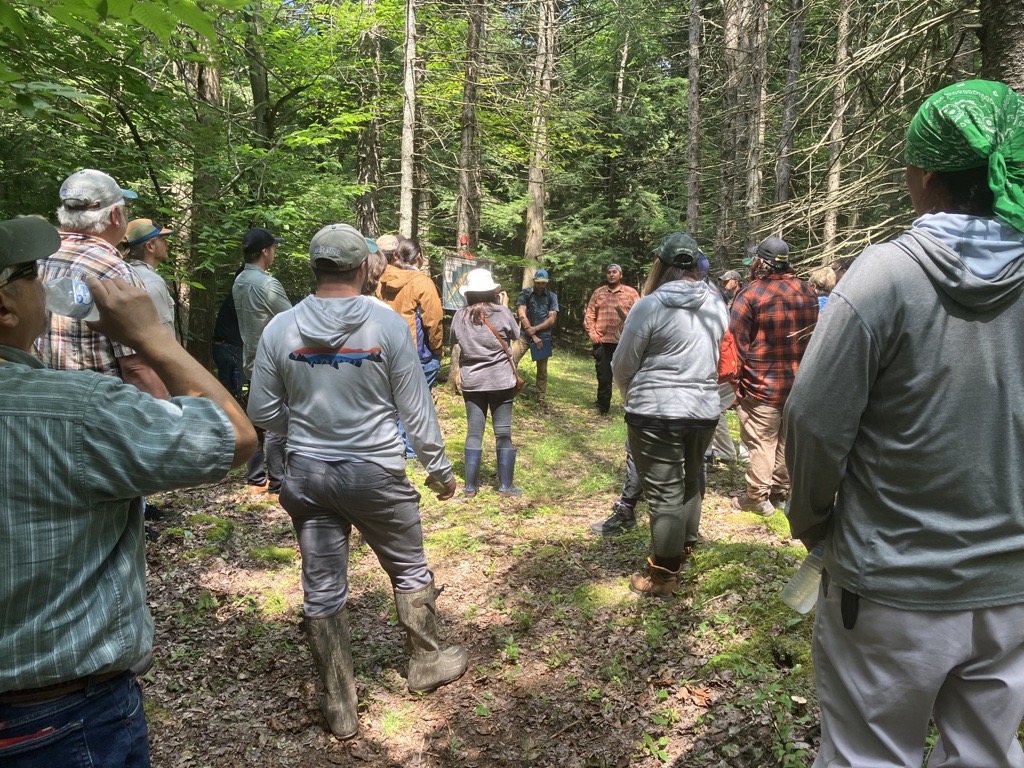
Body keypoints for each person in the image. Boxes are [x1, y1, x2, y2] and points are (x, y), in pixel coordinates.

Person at [785, 79, 1024, 768]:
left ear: (924, 174)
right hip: (1009, 592)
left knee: (869, 756)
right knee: (986, 755)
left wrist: (813, 522)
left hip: (889, 585)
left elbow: (812, 418)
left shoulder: (885, 276)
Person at [0, 217, 256, 768]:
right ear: (5, 309)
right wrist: (152, 337)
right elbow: (235, 437)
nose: (45, 284)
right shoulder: (79, 410)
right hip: (59, 720)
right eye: (29, 274)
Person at [247, 223, 464, 741]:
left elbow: (261, 408)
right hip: (375, 472)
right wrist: (439, 469)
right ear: (366, 267)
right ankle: (428, 662)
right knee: (408, 566)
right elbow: (415, 408)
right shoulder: (387, 325)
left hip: (308, 473)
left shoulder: (281, 327)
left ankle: (340, 703)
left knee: (322, 588)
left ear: (314, 266)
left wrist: (300, 427)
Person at [611, 233, 728, 597]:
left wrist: (632, 396)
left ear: (659, 266)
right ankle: (684, 549)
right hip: (703, 410)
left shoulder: (649, 305)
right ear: (695, 264)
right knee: (690, 482)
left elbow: (623, 363)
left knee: (663, 495)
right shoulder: (716, 304)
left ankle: (663, 576)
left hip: (656, 412)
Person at [34, 169, 165, 398]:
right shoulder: (114, 271)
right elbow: (136, 369)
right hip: (96, 414)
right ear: (116, 215)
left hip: (38, 406)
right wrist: (169, 415)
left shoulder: (35, 260)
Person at [728, 236, 817, 516]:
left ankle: (756, 498)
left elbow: (737, 345)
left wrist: (734, 384)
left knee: (761, 442)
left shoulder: (751, 295)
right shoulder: (807, 292)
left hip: (761, 386)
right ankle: (779, 493)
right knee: (787, 441)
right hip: (800, 386)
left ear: (761, 263)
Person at [449, 268, 522, 498]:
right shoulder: (502, 312)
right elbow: (516, 334)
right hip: (501, 380)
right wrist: (506, 307)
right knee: (503, 432)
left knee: (474, 431)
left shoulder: (459, 316)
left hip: (473, 381)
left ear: (468, 294)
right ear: (493, 291)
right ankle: (506, 486)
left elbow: (454, 340)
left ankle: (470, 487)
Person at [233, 226, 290, 494]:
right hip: (273, 361)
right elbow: (292, 318)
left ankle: (256, 477)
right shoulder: (266, 283)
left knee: (255, 418)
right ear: (265, 251)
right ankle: (278, 481)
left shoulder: (240, 280)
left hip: (250, 358)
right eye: (274, 248)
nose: (275, 253)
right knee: (277, 423)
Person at [378, 237, 444, 456]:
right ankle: (407, 449)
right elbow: (433, 320)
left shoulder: (380, 280)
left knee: (390, 401)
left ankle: (388, 445)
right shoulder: (421, 282)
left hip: (384, 349)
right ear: (420, 257)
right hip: (417, 352)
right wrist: (436, 349)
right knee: (416, 404)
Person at [584, 263, 640, 414]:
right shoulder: (598, 293)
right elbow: (589, 314)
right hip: (602, 341)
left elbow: (640, 315)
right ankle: (602, 406)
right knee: (604, 376)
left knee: (629, 374)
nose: (611, 274)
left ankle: (633, 407)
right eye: (609, 272)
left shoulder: (631, 293)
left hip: (624, 342)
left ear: (620, 275)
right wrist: (593, 333)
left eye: (615, 272)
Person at [511, 267, 558, 406]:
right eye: (538, 282)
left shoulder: (551, 296)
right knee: (511, 359)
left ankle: (540, 397)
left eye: (543, 283)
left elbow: (552, 318)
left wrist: (535, 329)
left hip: (543, 337)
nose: (540, 285)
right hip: (525, 335)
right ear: (534, 281)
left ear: (546, 283)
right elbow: (521, 313)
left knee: (542, 370)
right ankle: (510, 388)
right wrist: (529, 330)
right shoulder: (525, 294)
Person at [123, 218, 177, 338]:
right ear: (150, 246)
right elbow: (164, 335)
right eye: (162, 240)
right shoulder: (152, 282)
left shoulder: (125, 274)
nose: (167, 244)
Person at [212, 274, 244, 397]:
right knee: (229, 394)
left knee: (231, 390)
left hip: (228, 348)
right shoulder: (237, 298)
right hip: (229, 349)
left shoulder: (236, 297)